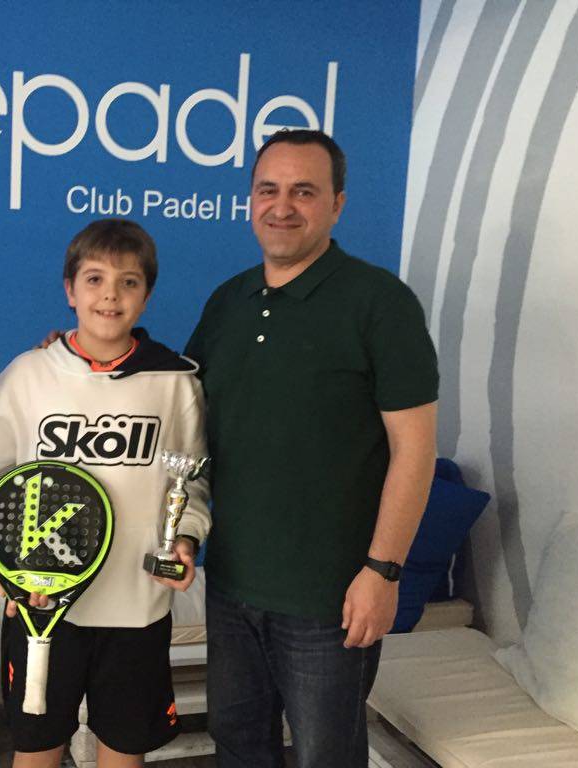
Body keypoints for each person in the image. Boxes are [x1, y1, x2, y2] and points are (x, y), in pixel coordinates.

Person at [184, 129, 438, 768]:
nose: (282, 206)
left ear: (337, 204)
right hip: (232, 584)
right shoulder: (228, 301)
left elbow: (415, 450)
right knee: (238, 748)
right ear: (250, 200)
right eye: (268, 189)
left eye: (303, 191)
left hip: (332, 599)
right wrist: (82, 354)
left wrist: (383, 573)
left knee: (328, 756)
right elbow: (176, 400)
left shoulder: (380, 304)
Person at [0, 219, 211, 767]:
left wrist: (184, 539)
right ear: (70, 290)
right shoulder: (25, 376)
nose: (110, 295)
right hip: (43, 607)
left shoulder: (175, 381)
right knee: (36, 751)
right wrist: (9, 568)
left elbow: (192, 482)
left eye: (128, 282)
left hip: (136, 606)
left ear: (146, 295)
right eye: (94, 279)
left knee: (124, 753)